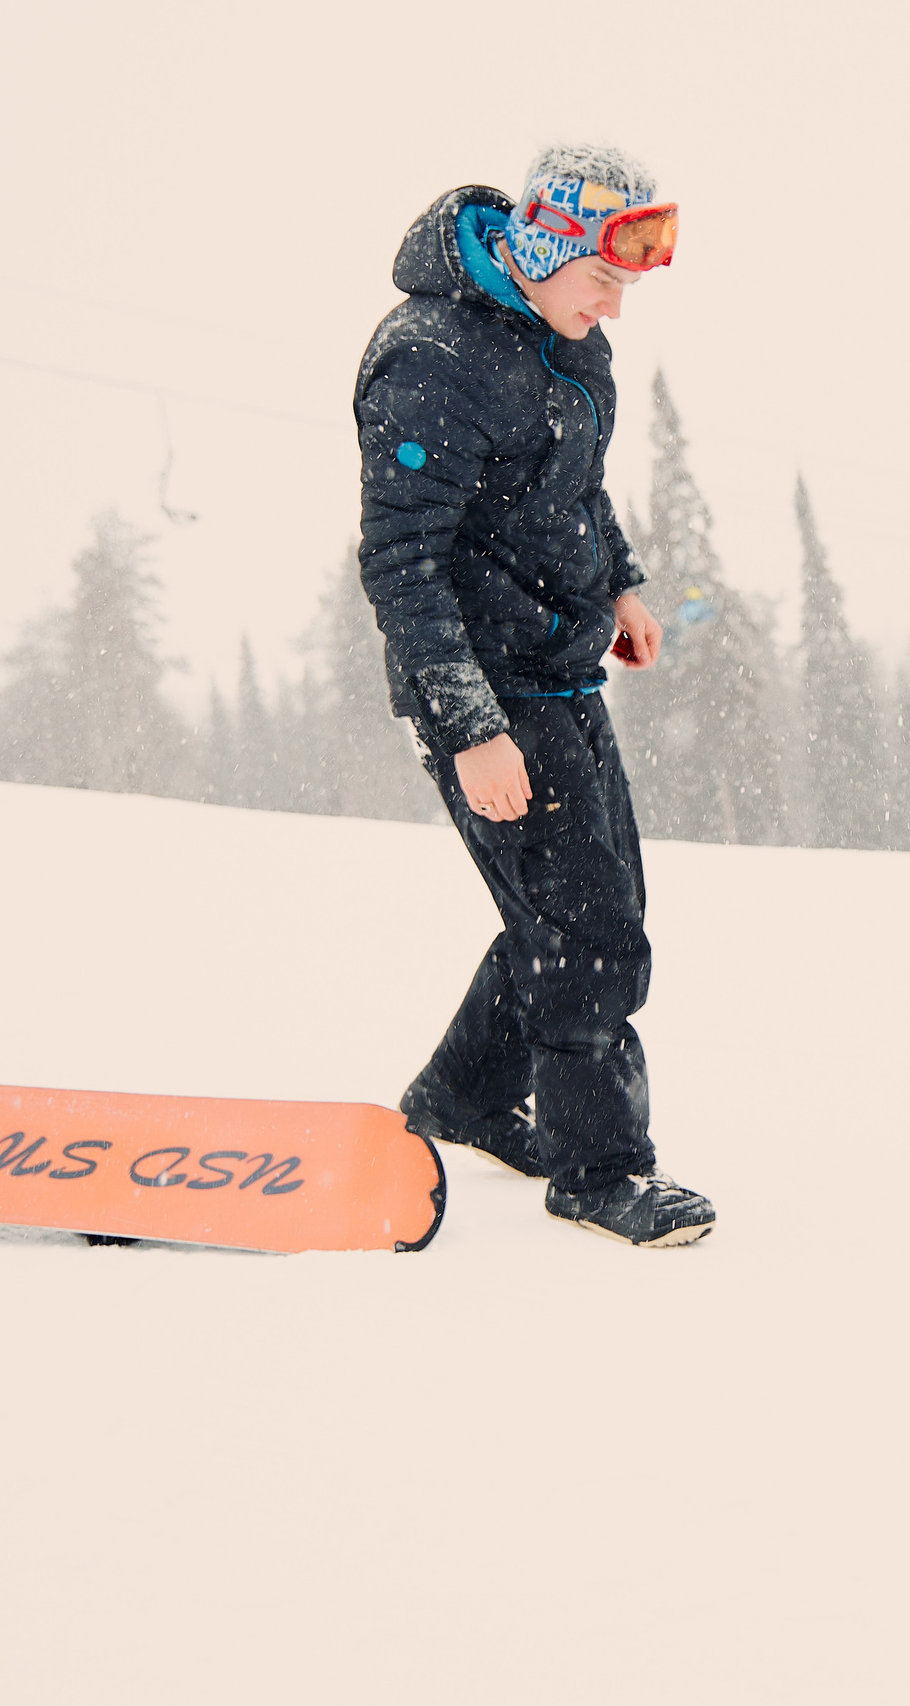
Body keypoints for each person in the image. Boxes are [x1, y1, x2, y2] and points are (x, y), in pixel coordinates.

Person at [353, 145, 712, 1247]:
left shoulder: (568, 340)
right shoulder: (431, 361)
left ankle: (459, 1099)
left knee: (590, 910)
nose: (616, 306)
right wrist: (472, 732)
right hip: (480, 683)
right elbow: (402, 566)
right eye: (605, 278)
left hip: (558, 664)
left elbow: (574, 486)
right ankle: (597, 1169)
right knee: (588, 931)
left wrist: (624, 582)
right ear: (546, 246)